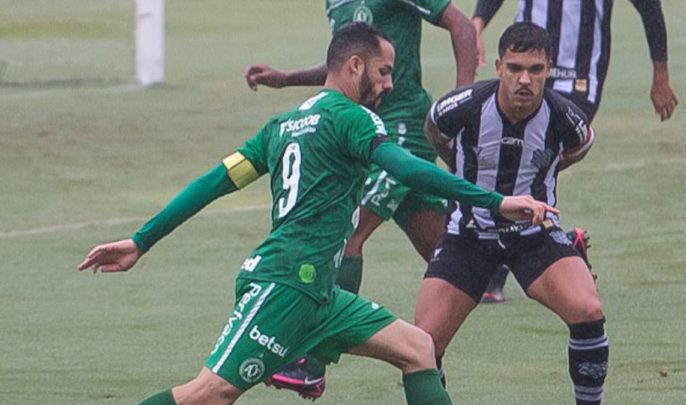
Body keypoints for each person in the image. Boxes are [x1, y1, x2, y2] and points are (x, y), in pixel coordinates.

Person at [78, 22, 556, 405]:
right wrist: (495, 200)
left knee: (419, 349)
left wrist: (142, 240)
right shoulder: (355, 119)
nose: (389, 84)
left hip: (321, 293)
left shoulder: (280, 126)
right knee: (207, 394)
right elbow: (408, 168)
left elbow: (212, 183)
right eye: (385, 71)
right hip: (284, 285)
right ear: (354, 66)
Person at [244, 0, 478, 396]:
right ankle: (539, 249)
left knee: (350, 232)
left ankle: (312, 363)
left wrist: (461, 105)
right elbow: (348, 64)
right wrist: (287, 80)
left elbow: (463, 28)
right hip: (361, 131)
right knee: (455, 252)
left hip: (402, 126)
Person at [415, 22, 608, 404]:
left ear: (549, 69)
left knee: (588, 310)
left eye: (535, 70)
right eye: (515, 68)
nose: (525, 79)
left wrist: (544, 174)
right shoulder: (464, 106)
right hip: (467, 235)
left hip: (534, 237)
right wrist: (461, 170)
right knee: (421, 346)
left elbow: (581, 145)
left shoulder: (563, 116)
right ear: (499, 65)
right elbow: (434, 130)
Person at [473, 0, 679, 303]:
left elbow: (648, 6)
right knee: (512, 158)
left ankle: (522, 257)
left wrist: (660, 73)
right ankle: (559, 249)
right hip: (522, 71)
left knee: (534, 159)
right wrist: (477, 23)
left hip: (579, 79)